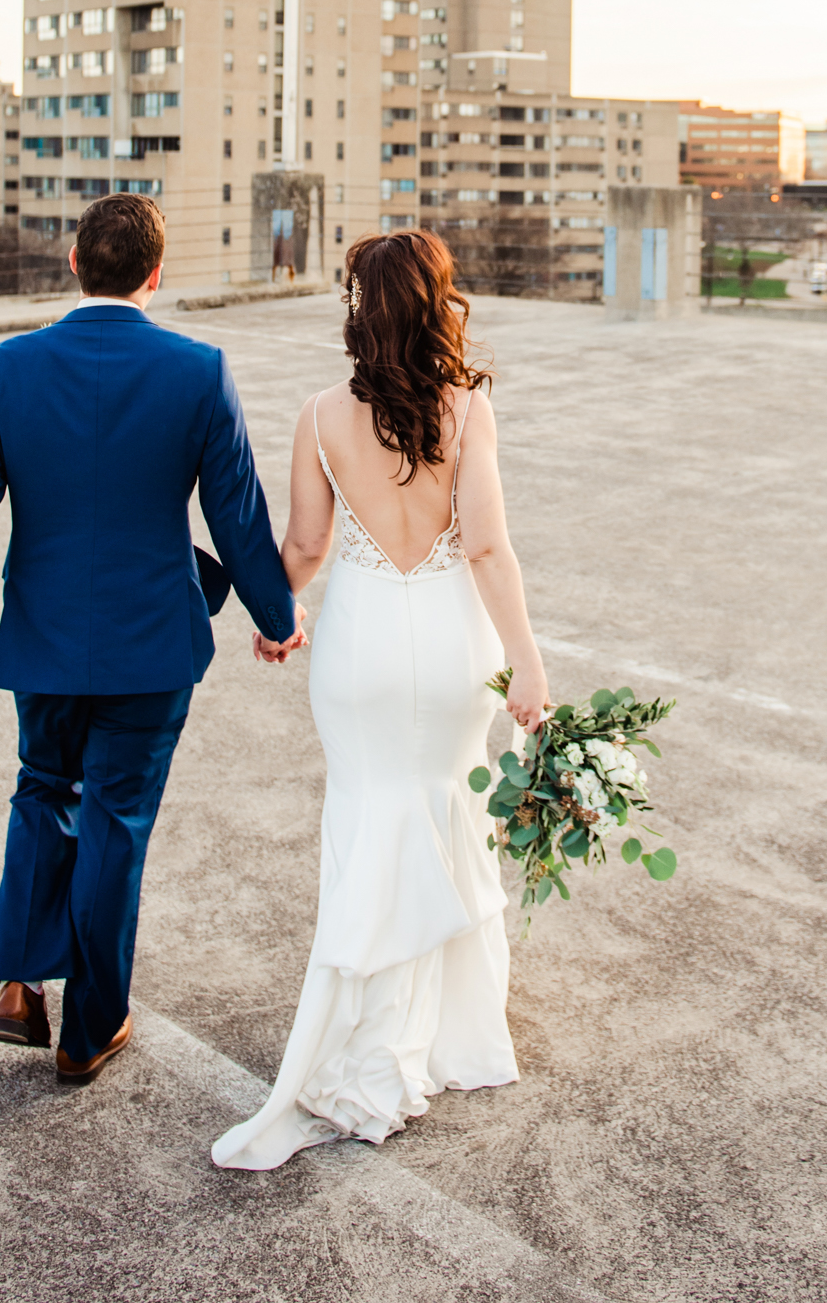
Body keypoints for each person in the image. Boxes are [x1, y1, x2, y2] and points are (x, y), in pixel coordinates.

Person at [0, 193, 301, 1083]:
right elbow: (236, 510)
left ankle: (19, 982)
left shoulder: (2, 371)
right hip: (151, 645)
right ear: (155, 276)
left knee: (44, 791)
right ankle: (88, 1030)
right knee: (116, 820)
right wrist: (277, 621)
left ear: (74, 264)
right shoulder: (197, 370)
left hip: (44, 639)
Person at [212, 228, 548, 1172]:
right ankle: (455, 1040)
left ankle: (370, 1038)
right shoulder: (468, 408)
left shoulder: (321, 413)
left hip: (356, 652)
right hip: (451, 647)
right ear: (438, 302)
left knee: (370, 815)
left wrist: (275, 615)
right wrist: (528, 664)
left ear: (361, 310)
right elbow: (485, 547)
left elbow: (307, 550)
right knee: (446, 809)